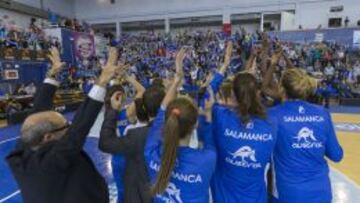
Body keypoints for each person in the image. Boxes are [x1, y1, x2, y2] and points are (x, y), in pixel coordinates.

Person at [6, 47, 123, 203]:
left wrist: (52, 75)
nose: (69, 127)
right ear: (48, 136)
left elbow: (37, 112)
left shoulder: (22, 154)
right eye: (65, 126)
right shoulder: (51, 164)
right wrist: (102, 80)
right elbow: (80, 127)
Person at [144, 48, 216, 203]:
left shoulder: (150, 152)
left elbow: (160, 114)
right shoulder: (206, 159)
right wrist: (208, 114)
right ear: (195, 125)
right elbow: (209, 141)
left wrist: (176, 81)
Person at [270, 68, 343, 203]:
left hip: (287, 194)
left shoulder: (273, 115)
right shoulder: (322, 113)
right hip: (320, 193)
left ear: (282, 88)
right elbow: (337, 155)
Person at [210, 72, 277, 203]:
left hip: (224, 197)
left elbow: (206, 98)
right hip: (257, 198)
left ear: (233, 94)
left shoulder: (220, 116)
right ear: (257, 94)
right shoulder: (271, 123)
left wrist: (222, 68)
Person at [99, 80, 165, 203]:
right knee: (137, 189)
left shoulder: (108, 114)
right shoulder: (128, 111)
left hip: (116, 157)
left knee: (121, 191)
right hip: (129, 156)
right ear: (121, 95)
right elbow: (142, 91)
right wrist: (128, 77)